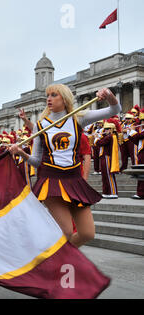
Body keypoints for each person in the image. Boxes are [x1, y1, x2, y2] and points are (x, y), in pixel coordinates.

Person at [9, 84, 121, 248]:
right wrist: (21, 153)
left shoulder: (78, 118)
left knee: (87, 233)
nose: (49, 98)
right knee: (66, 231)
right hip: (51, 181)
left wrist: (108, 94)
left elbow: (114, 110)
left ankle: (54, 258)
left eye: (54, 95)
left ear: (64, 98)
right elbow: (36, 161)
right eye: (48, 95)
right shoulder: (40, 126)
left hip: (74, 181)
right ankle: (52, 263)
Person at [94, 119, 121, 198]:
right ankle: (106, 192)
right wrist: (100, 136)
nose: (105, 130)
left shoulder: (110, 136)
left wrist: (96, 137)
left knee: (109, 175)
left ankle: (113, 192)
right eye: (105, 129)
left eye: (107, 129)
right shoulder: (107, 136)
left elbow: (100, 143)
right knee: (104, 176)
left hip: (107, 157)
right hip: (103, 157)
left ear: (112, 129)